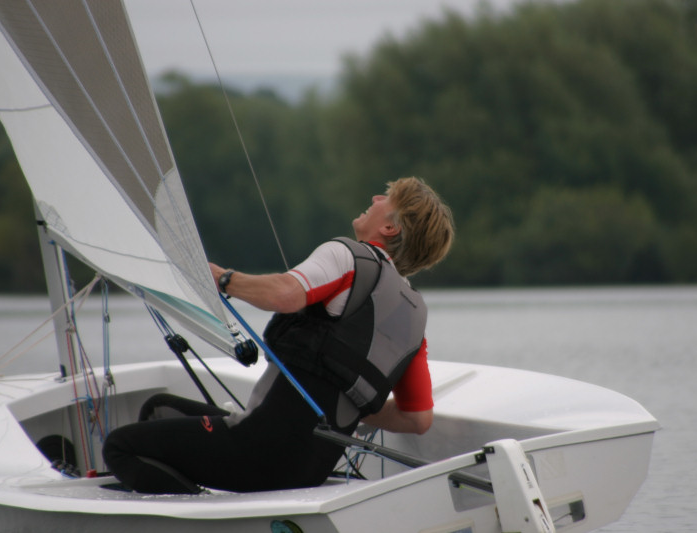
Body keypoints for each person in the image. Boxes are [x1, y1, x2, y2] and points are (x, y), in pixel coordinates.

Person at [102, 177, 454, 494]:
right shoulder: (412, 316)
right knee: (158, 409)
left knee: (119, 446)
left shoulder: (347, 257)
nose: (376, 196)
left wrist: (222, 279)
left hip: (256, 450)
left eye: (386, 197)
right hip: (311, 469)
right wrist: (343, 405)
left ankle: (202, 515)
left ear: (391, 227)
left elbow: (285, 294)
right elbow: (417, 419)